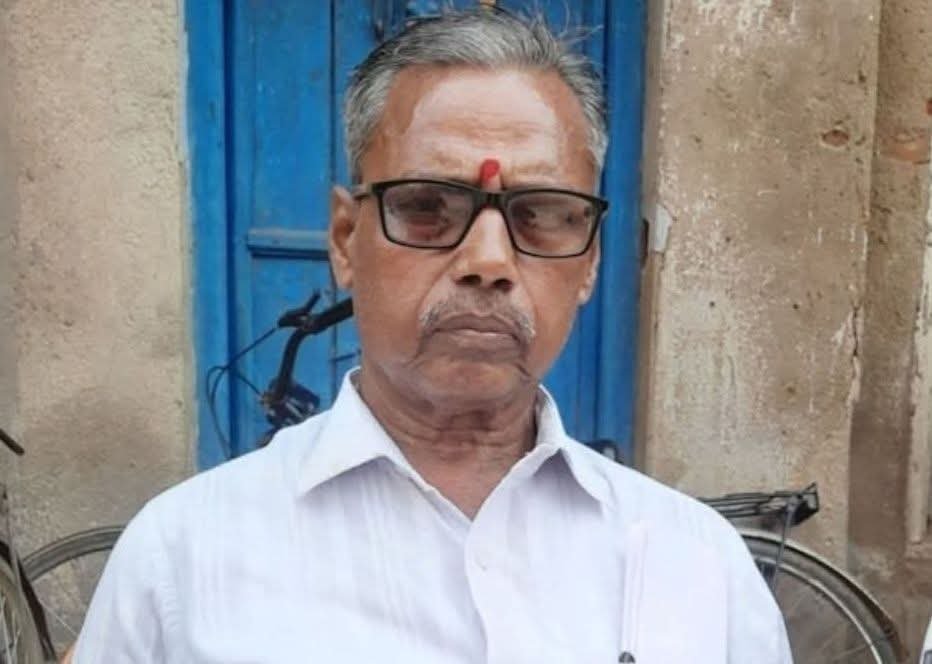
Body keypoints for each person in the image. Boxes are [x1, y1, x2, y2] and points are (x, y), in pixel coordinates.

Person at [72, 8, 791, 663]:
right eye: (426, 207)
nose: (489, 261)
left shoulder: (701, 570)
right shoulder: (181, 563)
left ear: (590, 263)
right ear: (345, 240)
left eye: (541, 214)